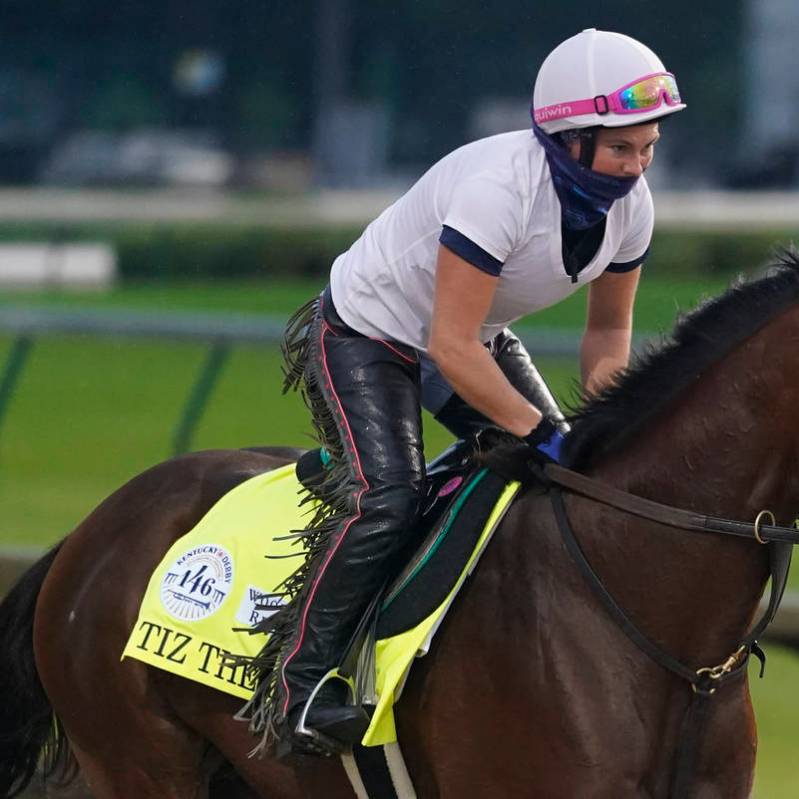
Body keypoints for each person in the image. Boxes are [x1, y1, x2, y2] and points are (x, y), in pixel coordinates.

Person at [255, 28, 686, 753]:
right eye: (620, 149)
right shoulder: (498, 190)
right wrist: (540, 429)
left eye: (646, 148)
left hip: (471, 340)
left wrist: (602, 431)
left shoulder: (631, 207)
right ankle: (298, 688)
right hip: (370, 335)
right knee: (390, 497)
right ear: (567, 136)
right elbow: (447, 348)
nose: (635, 167)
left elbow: (608, 336)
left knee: (564, 478)